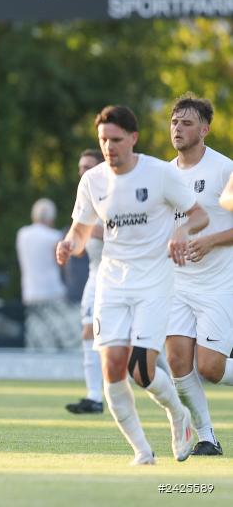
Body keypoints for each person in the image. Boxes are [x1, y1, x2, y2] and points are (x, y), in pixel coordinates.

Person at [56, 105, 208, 465]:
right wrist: (69, 244)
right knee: (111, 368)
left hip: (154, 282)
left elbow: (198, 215)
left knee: (141, 370)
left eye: (116, 139)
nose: (109, 147)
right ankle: (142, 451)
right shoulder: (92, 181)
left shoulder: (158, 173)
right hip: (111, 282)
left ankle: (179, 416)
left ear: (133, 138)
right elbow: (80, 230)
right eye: (103, 140)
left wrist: (181, 231)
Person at [165, 94, 233, 456]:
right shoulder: (163, 174)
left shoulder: (225, 170)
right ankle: (206, 437)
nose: (178, 128)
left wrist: (210, 241)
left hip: (219, 285)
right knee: (177, 361)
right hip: (177, 284)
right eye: (175, 122)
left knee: (210, 368)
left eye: (187, 123)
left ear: (204, 130)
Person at [65, 149, 105, 415]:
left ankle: (170, 380)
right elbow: (80, 244)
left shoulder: (116, 192)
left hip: (123, 276)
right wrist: (69, 245)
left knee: (134, 348)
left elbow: (127, 232)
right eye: (80, 167)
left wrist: (88, 230)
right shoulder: (84, 198)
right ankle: (94, 397)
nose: (82, 172)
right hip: (95, 275)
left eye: (87, 167)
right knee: (88, 332)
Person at [17, 198, 65, 304]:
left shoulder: (22, 234)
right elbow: (61, 262)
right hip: (53, 291)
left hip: (30, 292)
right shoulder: (55, 236)